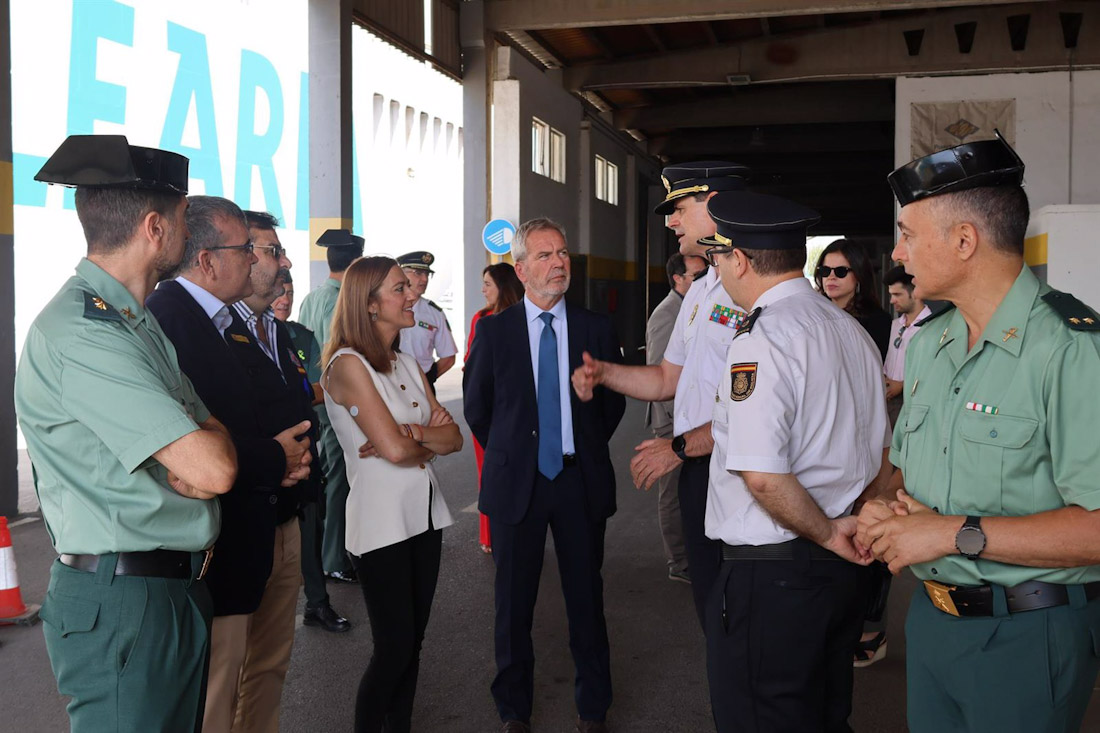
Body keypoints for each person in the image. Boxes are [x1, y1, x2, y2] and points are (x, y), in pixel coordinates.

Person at [856, 135, 1100, 732]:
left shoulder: (1070, 350)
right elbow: (905, 471)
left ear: (965, 241)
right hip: (933, 623)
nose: (897, 251)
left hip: (1027, 632)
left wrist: (947, 534)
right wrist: (881, 508)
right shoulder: (930, 346)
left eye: (909, 234)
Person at [16, 134, 237, 732]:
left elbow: (209, 445)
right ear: (154, 228)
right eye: (182, 220)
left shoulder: (132, 322)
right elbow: (215, 467)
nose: (190, 236)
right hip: (124, 601)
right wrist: (197, 450)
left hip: (162, 591)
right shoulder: (89, 333)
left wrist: (199, 446)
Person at [700, 190, 888, 732]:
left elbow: (761, 473)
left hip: (778, 572)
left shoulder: (764, 338)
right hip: (841, 573)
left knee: (764, 717)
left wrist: (828, 533)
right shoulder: (851, 331)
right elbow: (880, 454)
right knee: (827, 714)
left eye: (717, 257)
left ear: (737, 259)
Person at [146, 197, 312, 733]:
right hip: (221, 538)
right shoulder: (169, 318)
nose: (267, 263)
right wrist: (272, 457)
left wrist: (283, 460)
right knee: (218, 690)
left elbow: (270, 409)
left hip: (264, 519)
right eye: (248, 249)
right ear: (208, 260)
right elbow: (192, 438)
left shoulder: (226, 320)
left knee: (264, 673)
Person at [571, 161, 751, 628]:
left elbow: (755, 406)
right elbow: (668, 379)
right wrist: (606, 372)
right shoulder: (701, 291)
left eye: (680, 209)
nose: (671, 221)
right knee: (712, 605)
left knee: (744, 609)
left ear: (715, 205)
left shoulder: (751, 288)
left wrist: (677, 447)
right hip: (697, 465)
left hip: (740, 469)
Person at [464, 218, 626, 733]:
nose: (559, 264)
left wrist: (578, 443)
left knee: (586, 598)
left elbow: (611, 406)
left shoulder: (595, 327)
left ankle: (593, 707)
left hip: (578, 482)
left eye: (563, 254)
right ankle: (514, 709)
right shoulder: (493, 331)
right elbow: (478, 408)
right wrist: (516, 453)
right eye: (545, 256)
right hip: (519, 484)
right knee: (513, 604)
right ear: (521, 268)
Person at [321, 256, 462, 733]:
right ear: (370, 303)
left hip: (424, 516)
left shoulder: (405, 360)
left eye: (411, 287)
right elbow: (399, 451)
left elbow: (454, 439)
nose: (412, 295)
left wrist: (407, 434)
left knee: (413, 643)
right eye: (401, 288)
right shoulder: (346, 365)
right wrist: (414, 440)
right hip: (380, 523)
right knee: (394, 648)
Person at [270, 269, 352, 633]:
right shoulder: (239, 336)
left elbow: (322, 385)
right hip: (265, 453)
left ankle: (318, 603)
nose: (284, 298)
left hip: (304, 445)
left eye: (288, 291)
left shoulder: (300, 337)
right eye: (277, 291)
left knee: (310, 523)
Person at [298, 228, 365, 584]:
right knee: (339, 477)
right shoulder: (341, 302)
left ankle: (326, 550)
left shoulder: (312, 297)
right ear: (354, 264)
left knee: (326, 476)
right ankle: (333, 557)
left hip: (314, 397)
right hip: (335, 400)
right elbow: (334, 358)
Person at [645, 253, 707, 584]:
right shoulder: (666, 315)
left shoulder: (694, 307)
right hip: (673, 421)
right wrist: (677, 431)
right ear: (677, 280)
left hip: (690, 420)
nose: (705, 280)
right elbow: (661, 375)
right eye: (697, 276)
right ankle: (679, 562)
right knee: (671, 492)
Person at [465, 262, 524, 554]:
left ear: (503, 286)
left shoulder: (526, 316)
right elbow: (471, 369)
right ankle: (489, 535)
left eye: (488, 284)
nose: (483, 290)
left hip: (519, 412)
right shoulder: (482, 318)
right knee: (489, 473)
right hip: (491, 412)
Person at [814, 238, 892, 359]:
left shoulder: (878, 321)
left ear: (858, 275)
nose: (831, 276)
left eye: (841, 271)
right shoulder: (814, 316)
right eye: (825, 270)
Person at [397, 250, 459, 393]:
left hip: (423, 388)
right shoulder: (387, 306)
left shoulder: (434, 313)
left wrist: (427, 379)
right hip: (390, 385)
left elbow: (448, 356)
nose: (424, 279)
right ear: (401, 273)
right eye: (418, 273)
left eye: (427, 274)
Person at [882, 265, 931, 426]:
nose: (891, 300)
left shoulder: (931, 326)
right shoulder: (895, 324)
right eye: (891, 294)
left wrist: (902, 385)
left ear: (915, 291)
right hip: (888, 399)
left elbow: (931, 370)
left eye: (897, 294)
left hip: (914, 400)